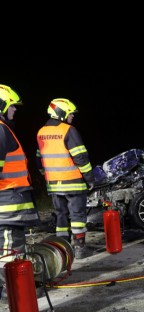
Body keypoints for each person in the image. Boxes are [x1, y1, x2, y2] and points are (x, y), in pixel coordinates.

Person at [36, 98, 95, 259]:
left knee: (60, 214)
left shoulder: (41, 132)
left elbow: (39, 159)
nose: (72, 117)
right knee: (77, 215)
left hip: (54, 184)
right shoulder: (69, 130)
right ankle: (80, 248)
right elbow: (81, 157)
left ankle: (63, 249)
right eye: (70, 113)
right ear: (61, 113)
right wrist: (89, 178)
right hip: (73, 181)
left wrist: (47, 175)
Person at [0, 85, 41, 299]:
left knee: (8, 248)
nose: (14, 110)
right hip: (8, 205)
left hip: (8, 201)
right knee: (10, 249)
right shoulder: (0, 129)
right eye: (11, 106)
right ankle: (13, 290)